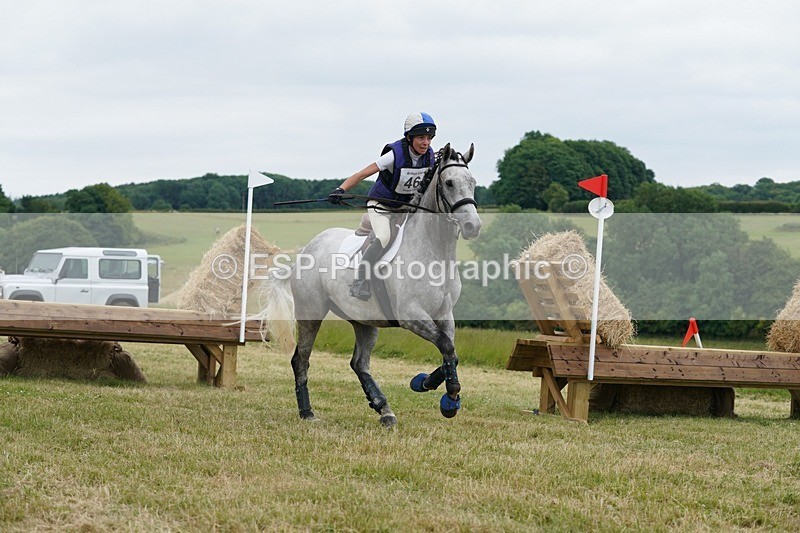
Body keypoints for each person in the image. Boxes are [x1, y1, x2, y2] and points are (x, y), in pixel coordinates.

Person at [329, 112, 437, 300]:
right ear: (409, 137)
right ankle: (360, 281)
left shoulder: (430, 158)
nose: (426, 143)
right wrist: (341, 189)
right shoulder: (393, 155)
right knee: (384, 236)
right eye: (421, 137)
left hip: (404, 207)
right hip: (381, 205)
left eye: (429, 138)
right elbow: (362, 174)